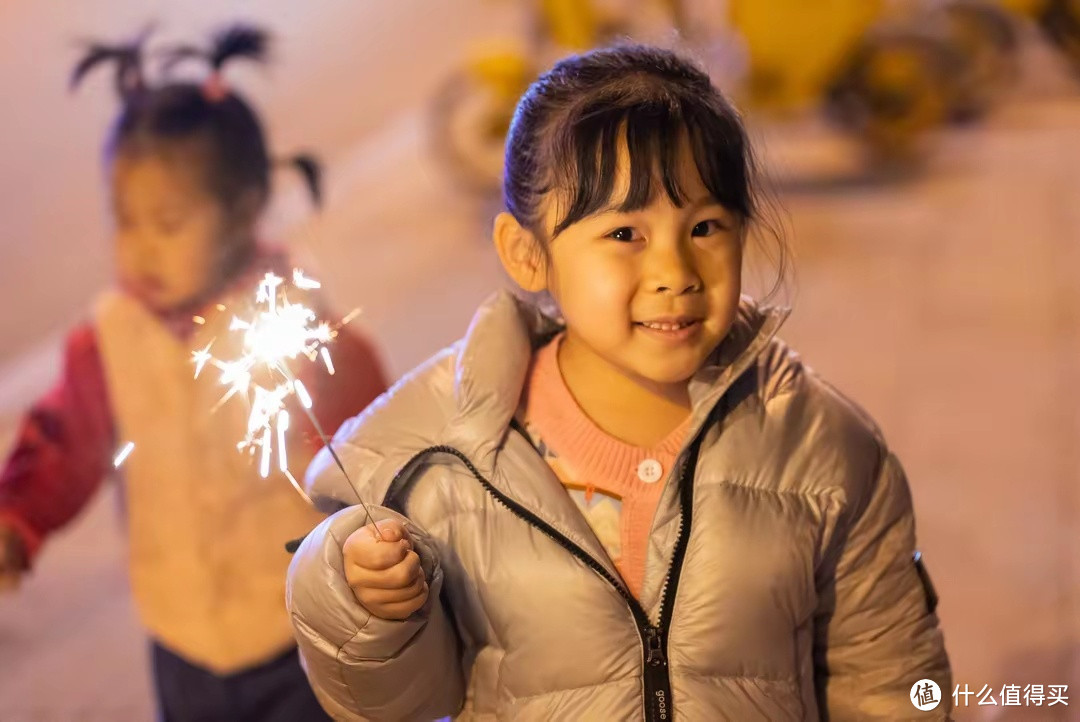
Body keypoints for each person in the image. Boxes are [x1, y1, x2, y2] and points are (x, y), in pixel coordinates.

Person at [286, 44, 950, 720]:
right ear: (527, 253)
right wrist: (365, 607)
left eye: (705, 226)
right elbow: (390, 702)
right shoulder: (430, 455)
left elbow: (891, 681)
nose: (676, 271)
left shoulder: (824, 448)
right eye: (626, 231)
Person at [0, 24, 387, 722]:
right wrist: (17, 514)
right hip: (181, 637)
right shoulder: (108, 339)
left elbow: (370, 436)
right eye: (125, 220)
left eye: (168, 222)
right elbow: (63, 442)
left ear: (241, 211)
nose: (140, 245)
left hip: (302, 626)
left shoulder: (286, 316)